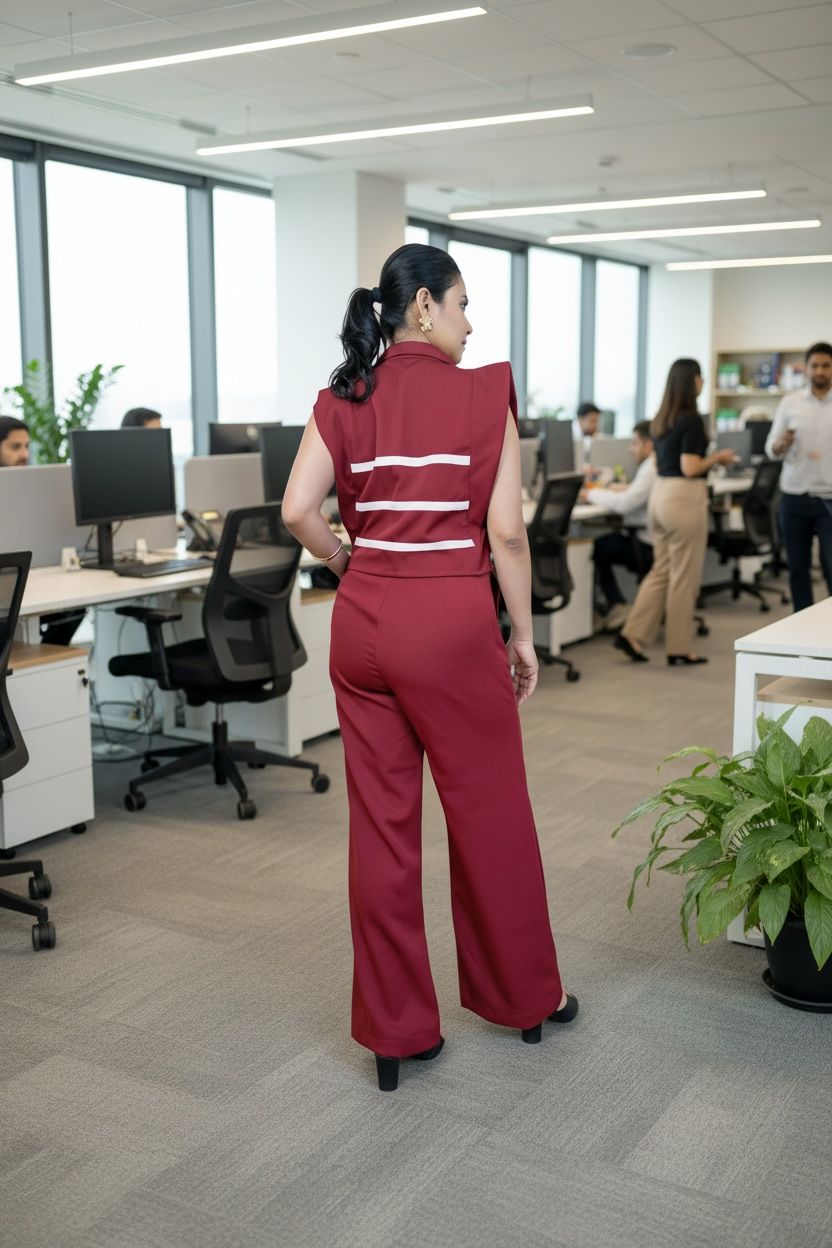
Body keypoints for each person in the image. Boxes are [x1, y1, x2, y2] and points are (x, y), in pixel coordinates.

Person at [281, 243, 577, 1091]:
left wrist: (349, 561)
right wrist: (521, 635)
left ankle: (395, 1033)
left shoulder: (343, 397)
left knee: (381, 830)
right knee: (491, 815)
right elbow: (508, 534)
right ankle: (527, 998)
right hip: (448, 622)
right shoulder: (486, 394)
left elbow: (298, 510)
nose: (469, 322)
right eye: (461, 304)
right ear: (422, 309)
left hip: (364, 623)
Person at [614, 358, 736, 666]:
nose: (703, 383)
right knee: (683, 577)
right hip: (683, 498)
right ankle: (679, 648)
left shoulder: (661, 419)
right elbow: (690, 466)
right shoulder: (692, 420)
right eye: (701, 377)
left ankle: (632, 634)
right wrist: (718, 458)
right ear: (693, 381)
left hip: (660, 496)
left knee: (662, 570)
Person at [0, 417, 84, 645]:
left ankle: (48, 659)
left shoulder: (27, 489)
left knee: (75, 607)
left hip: (26, 583)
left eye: (27, 446)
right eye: (15, 447)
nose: (24, 455)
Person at [765, 341, 832, 613]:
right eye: (814, 365)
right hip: (794, 498)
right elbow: (771, 449)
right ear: (806, 369)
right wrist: (780, 445)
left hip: (829, 499)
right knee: (797, 570)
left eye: (826, 366)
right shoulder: (790, 403)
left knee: (831, 568)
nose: (820, 371)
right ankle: (803, 632)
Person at [589, 420, 656, 632]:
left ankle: (615, 604)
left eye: (635, 443)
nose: (630, 449)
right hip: (650, 538)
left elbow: (625, 504)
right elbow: (635, 496)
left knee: (598, 547)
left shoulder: (651, 468)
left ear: (648, 444)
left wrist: (589, 493)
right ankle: (612, 604)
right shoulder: (654, 465)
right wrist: (625, 488)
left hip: (645, 543)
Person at [574, 400, 600, 468]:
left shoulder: (596, 436)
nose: (595, 425)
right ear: (581, 420)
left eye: (597, 421)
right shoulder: (571, 438)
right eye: (593, 421)